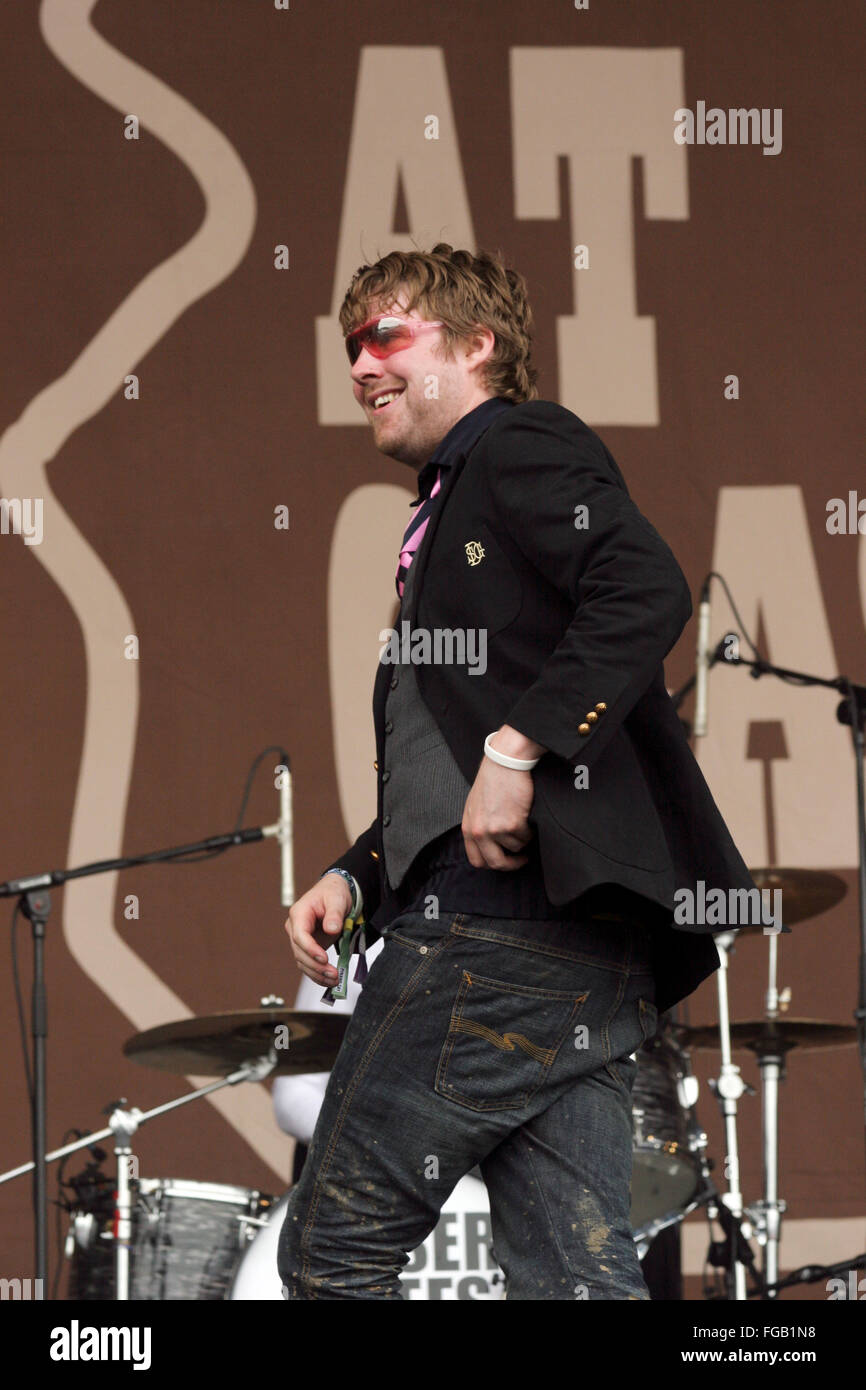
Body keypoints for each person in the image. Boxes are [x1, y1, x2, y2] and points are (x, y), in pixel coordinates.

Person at [279, 243, 756, 1300]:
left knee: (327, 1255)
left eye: (388, 336)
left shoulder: (515, 444)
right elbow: (458, 742)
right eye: (350, 345)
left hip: (501, 931)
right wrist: (361, 874)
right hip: (565, 954)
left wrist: (515, 749)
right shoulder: (456, 500)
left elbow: (643, 585)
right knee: (571, 1284)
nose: (359, 365)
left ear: (478, 345)